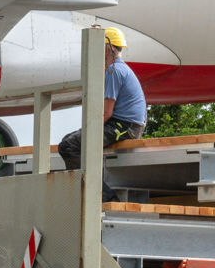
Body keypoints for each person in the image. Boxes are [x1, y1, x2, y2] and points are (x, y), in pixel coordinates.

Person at [57, 25, 150, 171]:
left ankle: (93, 190)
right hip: (124, 125)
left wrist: (87, 129)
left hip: (125, 128)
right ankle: (90, 183)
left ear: (107, 49)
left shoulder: (114, 71)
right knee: (68, 140)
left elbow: (106, 113)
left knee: (68, 145)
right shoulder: (119, 69)